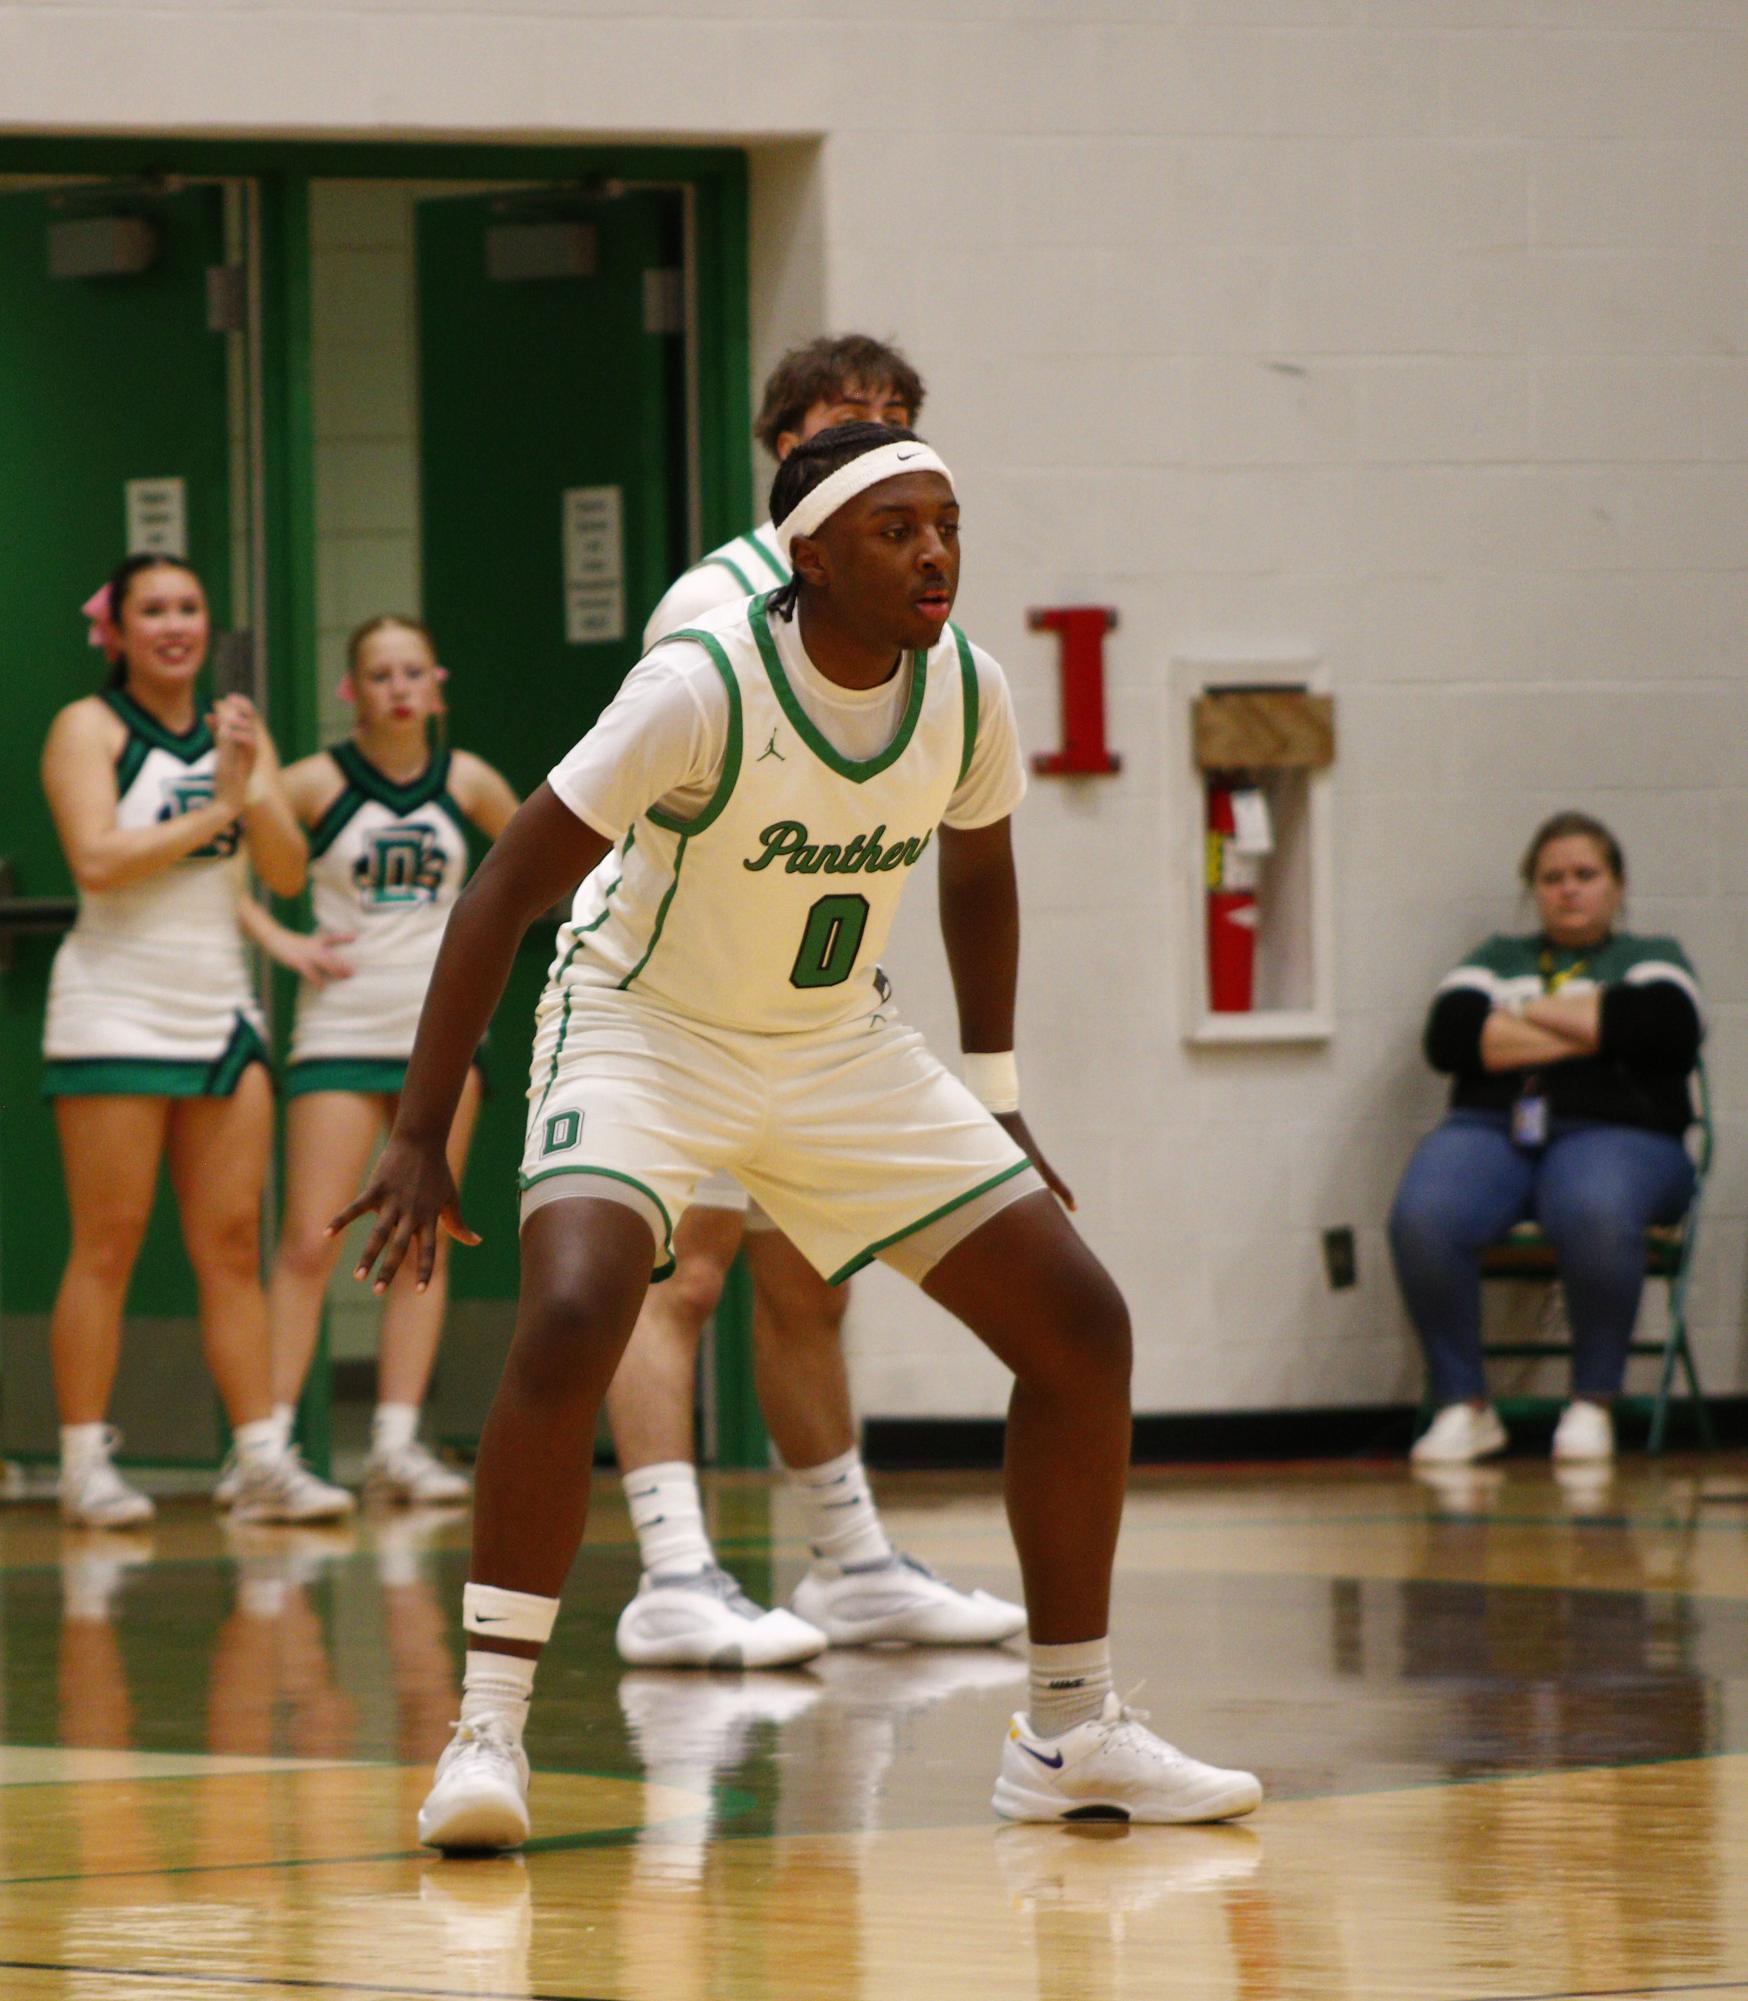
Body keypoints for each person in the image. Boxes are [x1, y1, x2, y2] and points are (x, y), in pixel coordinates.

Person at [334, 422, 1263, 1847]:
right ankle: (486, 1734)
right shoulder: (700, 685)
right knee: (577, 1308)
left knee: (1082, 1328)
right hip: (647, 1027)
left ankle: (1073, 1731)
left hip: (839, 1048)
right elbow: (502, 895)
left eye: (948, 522)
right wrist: (416, 1132)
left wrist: (1000, 1091)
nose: (936, 551)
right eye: (898, 530)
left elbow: (983, 883)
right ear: (811, 556)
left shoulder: (967, 690)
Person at [614, 332, 1022, 1669]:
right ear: (785, 441)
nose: (882, 433)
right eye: (854, 415)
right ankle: (674, 1568)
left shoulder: (925, 636)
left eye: (903, 415)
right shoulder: (714, 604)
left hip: (815, 1004)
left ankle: (850, 1563)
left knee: (814, 1284)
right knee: (681, 1276)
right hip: (685, 997)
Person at [40, 554, 355, 1529]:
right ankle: (84, 1463)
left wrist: (249, 785)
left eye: (189, 608)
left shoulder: (236, 734)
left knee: (228, 1243)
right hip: (112, 1005)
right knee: (109, 1242)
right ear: (119, 632)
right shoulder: (85, 730)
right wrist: (219, 805)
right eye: (153, 611)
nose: (174, 625)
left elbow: (289, 873)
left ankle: (260, 1457)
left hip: (219, 1011)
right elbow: (96, 858)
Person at [235, 615, 519, 1504]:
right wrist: (283, 943)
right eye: (378, 674)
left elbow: (536, 869)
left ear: (435, 685)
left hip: (439, 1035)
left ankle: (397, 1445)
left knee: (421, 1236)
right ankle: (266, 1451)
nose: (398, 688)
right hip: (340, 1029)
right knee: (312, 1239)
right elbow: (225, 864)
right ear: (350, 691)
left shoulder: (466, 779)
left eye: (412, 672)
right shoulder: (315, 780)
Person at [1391, 811, 1704, 1467]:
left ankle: (1593, 1401)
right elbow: (1451, 1036)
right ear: (1532, 887)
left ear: (1617, 885)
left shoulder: (1651, 956)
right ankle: (1462, 1405)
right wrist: (1593, 1022)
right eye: (1552, 876)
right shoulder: (1495, 955)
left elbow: (1664, 1028)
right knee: (1424, 1211)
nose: (1569, 889)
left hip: (1624, 1132)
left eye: (1585, 874)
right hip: (1493, 1129)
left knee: (1592, 1204)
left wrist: (1519, 1015)